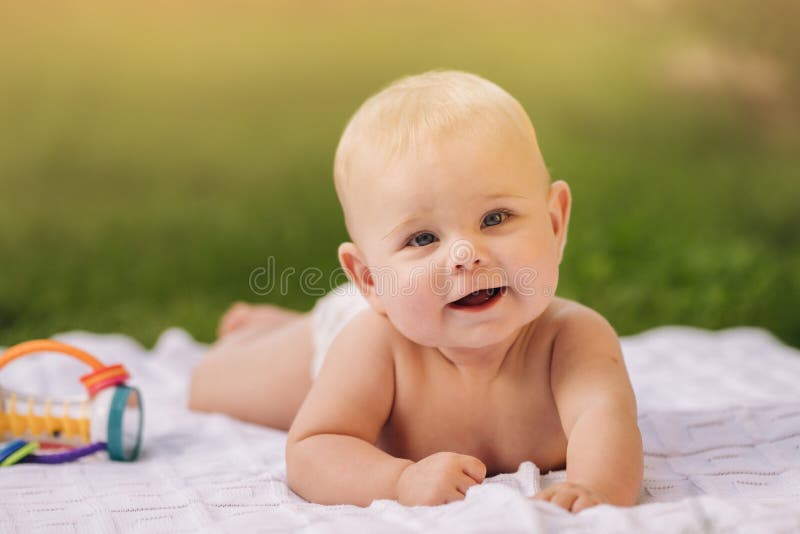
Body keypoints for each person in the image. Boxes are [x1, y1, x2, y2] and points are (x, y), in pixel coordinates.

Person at [189, 70, 643, 513]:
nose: (466, 254)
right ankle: (271, 328)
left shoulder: (573, 340)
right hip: (346, 330)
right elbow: (312, 450)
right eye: (423, 238)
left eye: (494, 218)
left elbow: (605, 421)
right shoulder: (373, 345)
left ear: (555, 223)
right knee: (208, 385)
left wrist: (595, 487)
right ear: (370, 280)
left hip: (414, 301)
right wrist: (399, 480)